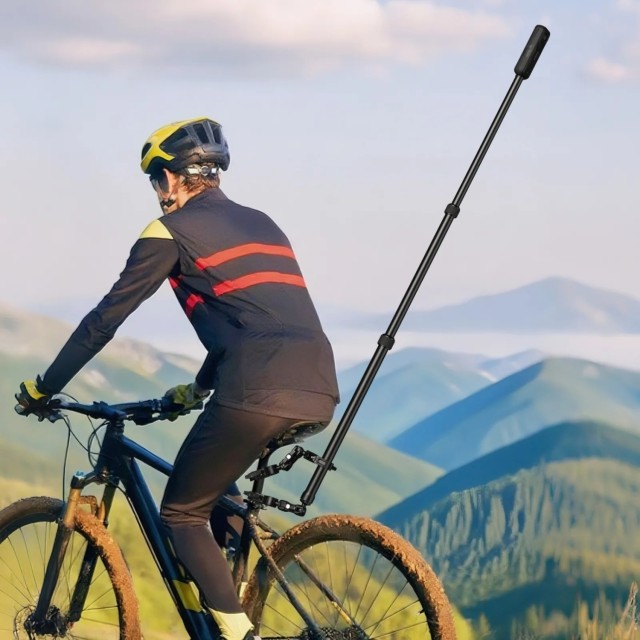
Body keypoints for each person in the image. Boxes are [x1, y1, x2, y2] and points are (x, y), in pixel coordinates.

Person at [15, 117, 340, 640]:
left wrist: (43, 388)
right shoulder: (264, 223)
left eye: (154, 180)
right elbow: (250, 323)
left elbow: (104, 320)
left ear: (170, 177)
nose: (155, 192)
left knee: (182, 515)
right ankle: (232, 589)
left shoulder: (169, 231)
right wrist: (196, 390)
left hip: (254, 388)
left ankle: (241, 634)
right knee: (217, 490)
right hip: (319, 385)